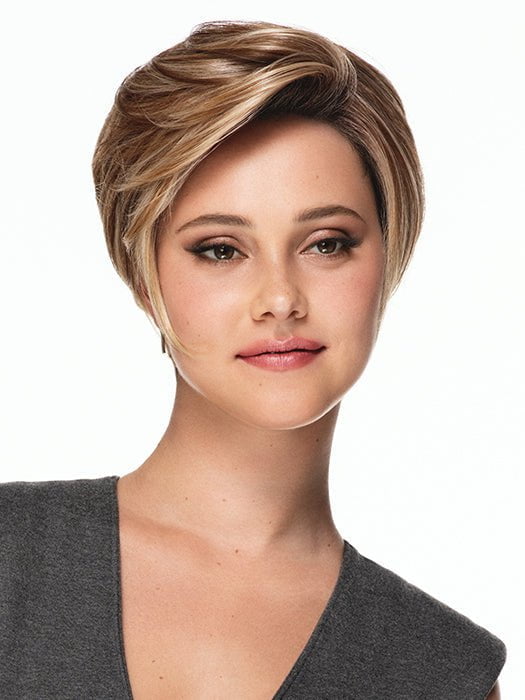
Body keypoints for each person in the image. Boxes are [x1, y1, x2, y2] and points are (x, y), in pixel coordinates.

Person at [0, 20, 505, 699]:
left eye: (326, 243)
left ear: (388, 259)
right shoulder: (12, 557)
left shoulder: (442, 673)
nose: (279, 299)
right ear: (144, 278)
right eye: (220, 250)